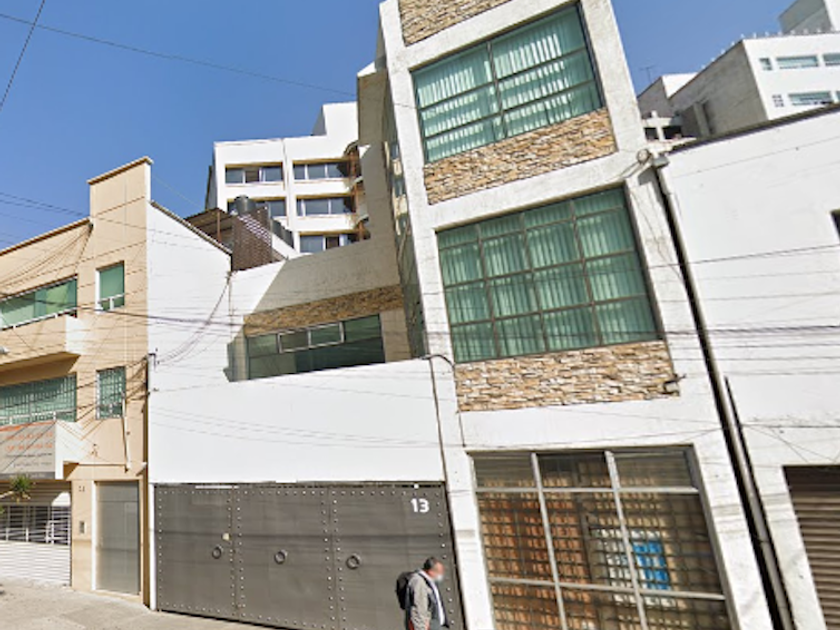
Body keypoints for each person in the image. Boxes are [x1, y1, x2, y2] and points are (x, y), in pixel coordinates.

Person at [405, 557, 448, 630]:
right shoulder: (419, 582)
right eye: (440, 572)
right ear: (431, 571)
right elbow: (419, 610)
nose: (441, 575)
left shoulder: (431, 582)